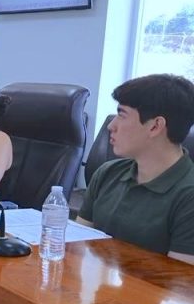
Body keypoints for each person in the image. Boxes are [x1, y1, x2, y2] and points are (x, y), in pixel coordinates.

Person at [78, 74, 194, 263]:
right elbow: (76, 249)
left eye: (122, 115)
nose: (111, 126)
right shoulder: (107, 173)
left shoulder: (189, 196)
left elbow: (178, 279)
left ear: (155, 126)